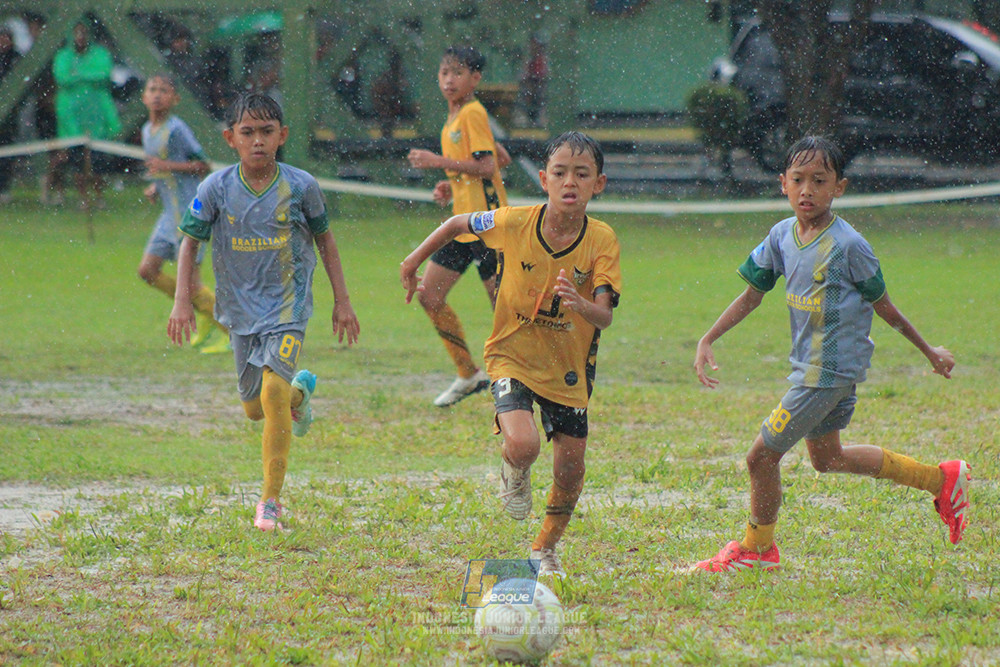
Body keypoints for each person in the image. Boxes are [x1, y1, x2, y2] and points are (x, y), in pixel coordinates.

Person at [692, 135, 970, 572]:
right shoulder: (781, 235)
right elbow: (751, 295)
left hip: (828, 373)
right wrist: (708, 337)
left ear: (839, 187)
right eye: (798, 180)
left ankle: (757, 550)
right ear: (783, 183)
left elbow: (885, 306)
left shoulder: (849, 245)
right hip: (814, 369)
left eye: (819, 181)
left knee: (760, 457)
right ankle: (941, 479)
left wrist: (929, 351)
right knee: (828, 459)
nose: (807, 190)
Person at [401, 132, 621, 577]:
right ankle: (513, 467)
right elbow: (456, 224)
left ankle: (545, 549)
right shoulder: (515, 221)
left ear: (598, 184)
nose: (570, 182)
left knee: (570, 470)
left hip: (568, 369)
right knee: (523, 445)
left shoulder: (602, 240)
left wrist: (580, 305)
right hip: (511, 355)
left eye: (582, 174)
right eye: (560, 173)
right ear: (543, 179)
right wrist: (412, 261)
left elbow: (604, 316)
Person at [168, 92, 360, 531]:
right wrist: (182, 300)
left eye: (267, 132)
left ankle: (270, 502)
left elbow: (326, 240)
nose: (258, 140)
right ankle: (299, 398)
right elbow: (189, 243)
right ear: (230, 138)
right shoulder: (215, 188)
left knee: (271, 394)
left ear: (282, 136)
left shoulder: (302, 186)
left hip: (288, 307)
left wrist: (343, 301)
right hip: (239, 311)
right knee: (255, 408)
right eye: (248, 132)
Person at [407, 45, 512, 407]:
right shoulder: (454, 119)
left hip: (488, 226)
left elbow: (487, 166)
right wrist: (453, 185)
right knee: (429, 296)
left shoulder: (472, 112)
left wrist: (437, 162)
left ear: (475, 78)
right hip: (461, 226)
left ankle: (533, 378)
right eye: (444, 73)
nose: (449, 80)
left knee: (506, 311)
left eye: (458, 73)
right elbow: (499, 158)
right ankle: (468, 374)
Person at [138, 74, 227, 353]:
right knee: (147, 270)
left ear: (175, 99)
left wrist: (167, 167)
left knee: (191, 284)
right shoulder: (146, 130)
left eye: (164, 90)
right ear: (143, 96)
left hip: (190, 213)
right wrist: (156, 185)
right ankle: (205, 310)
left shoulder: (177, 129)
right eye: (152, 89)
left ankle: (233, 332)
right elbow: (165, 169)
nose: (157, 95)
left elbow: (203, 165)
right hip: (169, 215)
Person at [52, 21, 122, 208]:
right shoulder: (63, 56)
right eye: (77, 33)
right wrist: (88, 75)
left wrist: (78, 74)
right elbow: (62, 77)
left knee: (98, 160)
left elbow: (103, 74)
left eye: (83, 33)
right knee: (76, 159)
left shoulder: (100, 54)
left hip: (97, 115)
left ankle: (99, 195)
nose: (80, 37)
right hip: (71, 116)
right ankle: (82, 197)